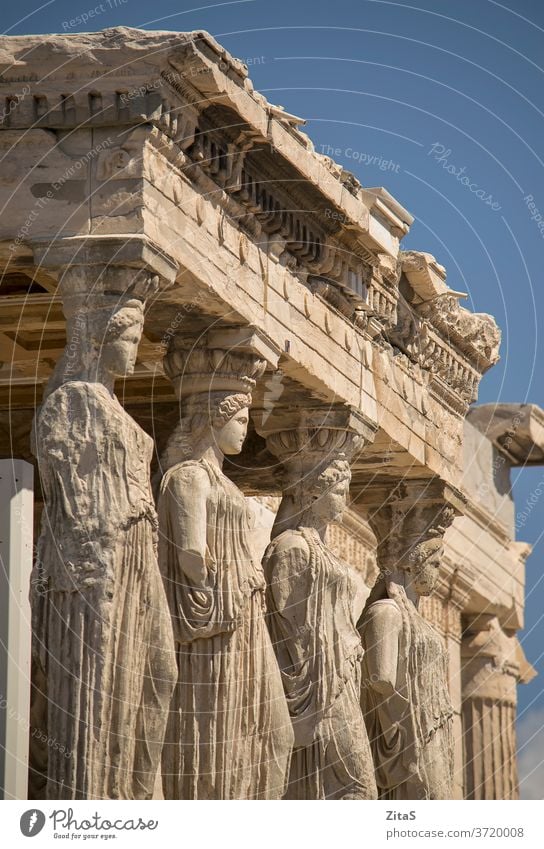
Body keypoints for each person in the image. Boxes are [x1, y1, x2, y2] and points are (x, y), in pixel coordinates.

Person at [31, 286, 176, 799]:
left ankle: (132, 799)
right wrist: (104, 556)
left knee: (161, 672)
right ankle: (92, 798)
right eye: (130, 336)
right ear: (99, 336)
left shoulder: (107, 403)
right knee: (99, 679)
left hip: (138, 555)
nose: (136, 348)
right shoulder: (72, 401)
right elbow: (69, 497)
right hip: (100, 561)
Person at [157, 344, 293, 799]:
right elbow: (190, 552)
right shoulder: (190, 477)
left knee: (274, 734)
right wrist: (214, 587)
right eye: (239, 420)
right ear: (214, 419)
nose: (246, 431)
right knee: (225, 727)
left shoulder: (223, 482)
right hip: (218, 616)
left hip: (242, 610)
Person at [263, 454, 377, 800]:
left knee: (354, 788)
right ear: (315, 492)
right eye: (340, 491)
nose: (345, 499)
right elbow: (289, 628)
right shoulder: (292, 548)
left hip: (340, 673)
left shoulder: (317, 548)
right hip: (320, 681)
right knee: (358, 788)